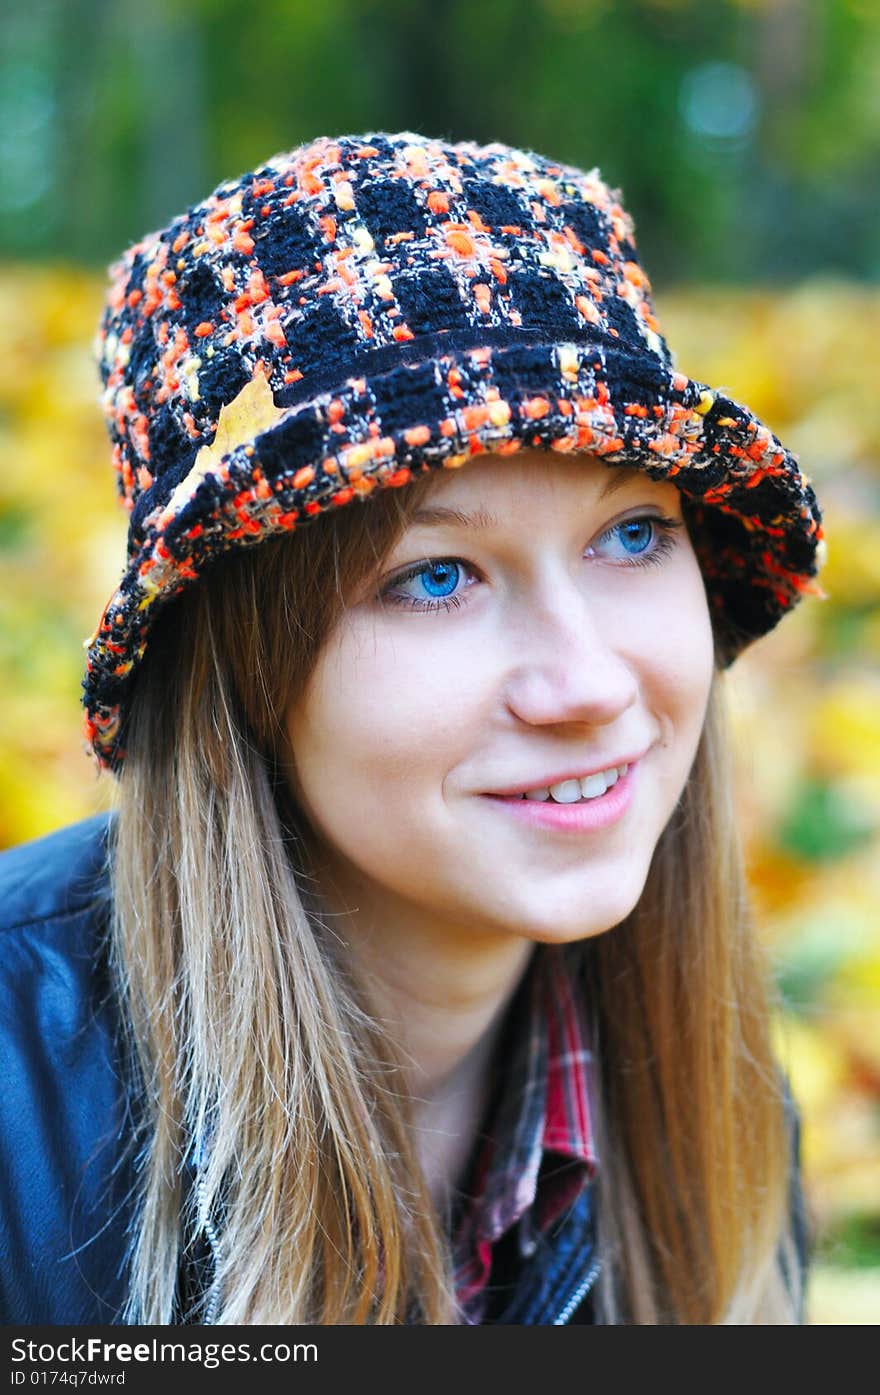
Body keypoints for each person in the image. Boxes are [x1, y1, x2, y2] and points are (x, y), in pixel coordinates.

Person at [0, 130, 825, 1325]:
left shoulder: (714, 1105)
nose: (586, 683)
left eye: (633, 535)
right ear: (239, 676)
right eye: (435, 577)